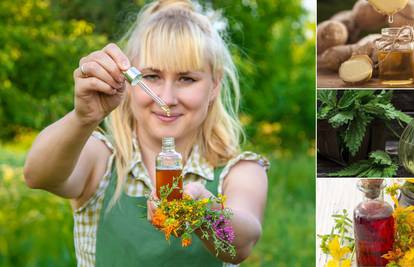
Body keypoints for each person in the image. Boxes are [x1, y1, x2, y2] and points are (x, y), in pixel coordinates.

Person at [24, 0, 269, 266]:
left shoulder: (239, 171)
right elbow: (38, 175)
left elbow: (240, 244)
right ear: (128, 81)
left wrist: (200, 209)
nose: (167, 97)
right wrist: (83, 118)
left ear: (214, 85)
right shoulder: (101, 160)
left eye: (186, 78)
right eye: (151, 76)